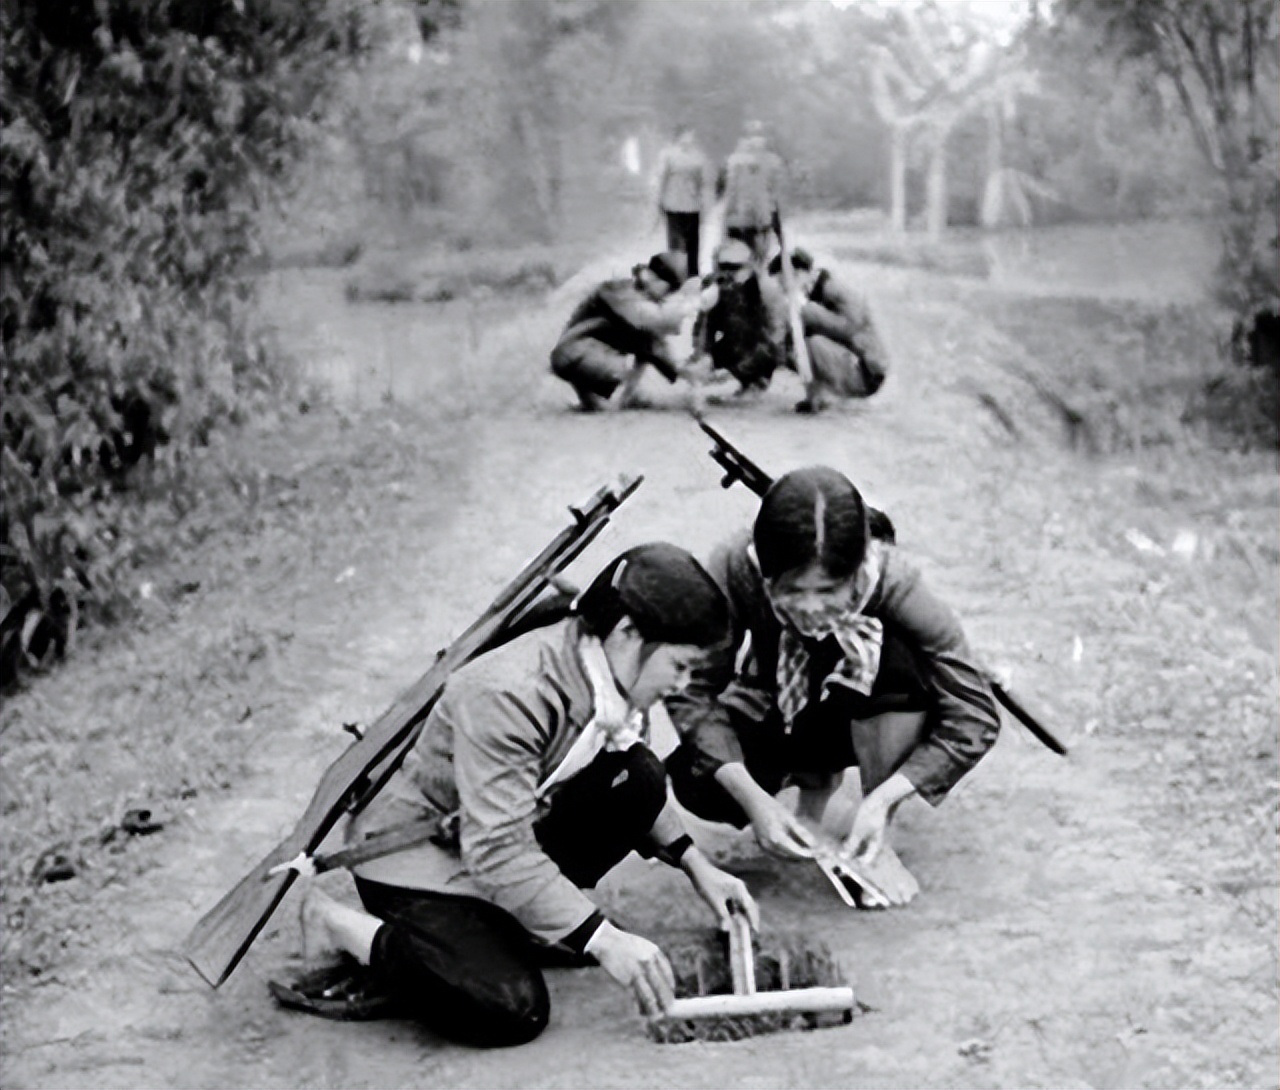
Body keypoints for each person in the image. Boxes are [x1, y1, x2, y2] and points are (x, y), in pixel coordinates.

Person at [296, 544, 760, 1047]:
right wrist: (602, 939)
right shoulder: (510, 693)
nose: (683, 684)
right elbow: (496, 850)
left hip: (491, 831)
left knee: (638, 776)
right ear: (628, 633)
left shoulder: (607, 674)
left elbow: (621, 774)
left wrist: (697, 864)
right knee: (508, 1007)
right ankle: (337, 925)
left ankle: (522, 922)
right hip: (414, 855)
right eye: (680, 666)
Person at [666, 468, 1001, 906]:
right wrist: (754, 801)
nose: (809, 608)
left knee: (898, 656)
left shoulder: (895, 583)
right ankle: (808, 791)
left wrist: (882, 802)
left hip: (869, 709)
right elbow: (691, 689)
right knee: (700, 781)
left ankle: (875, 838)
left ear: (855, 571)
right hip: (783, 708)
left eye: (828, 590)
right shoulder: (735, 567)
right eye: (791, 590)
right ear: (766, 573)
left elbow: (974, 714)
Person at [549, 251, 699, 411]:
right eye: (669, 290)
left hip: (585, 353)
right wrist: (690, 303)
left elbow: (655, 346)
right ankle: (609, 399)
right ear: (653, 278)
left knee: (646, 346)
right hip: (571, 353)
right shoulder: (618, 291)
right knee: (638, 348)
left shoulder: (637, 296)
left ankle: (613, 399)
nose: (667, 296)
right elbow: (651, 319)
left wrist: (683, 371)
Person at [769, 248, 891, 413]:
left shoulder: (834, 289)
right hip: (846, 360)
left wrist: (809, 311)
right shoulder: (810, 294)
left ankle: (838, 397)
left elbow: (853, 330)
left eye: (782, 282)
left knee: (812, 343)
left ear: (798, 275)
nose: (783, 289)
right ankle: (817, 395)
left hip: (866, 372)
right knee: (795, 345)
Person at [690, 239, 790, 397]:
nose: (728, 272)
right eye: (724, 266)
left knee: (770, 347)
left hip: (762, 343)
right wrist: (702, 357)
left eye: (735, 267)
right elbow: (703, 326)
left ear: (749, 266)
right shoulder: (713, 284)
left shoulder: (765, 288)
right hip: (734, 340)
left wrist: (741, 369)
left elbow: (776, 336)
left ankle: (758, 380)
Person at [720, 120, 787, 265]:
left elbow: (731, 191)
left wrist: (727, 214)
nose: (756, 141)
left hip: (743, 215)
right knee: (761, 256)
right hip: (761, 214)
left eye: (758, 136)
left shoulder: (735, 160)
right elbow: (776, 192)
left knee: (742, 255)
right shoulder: (773, 161)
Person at [654, 124, 711, 278]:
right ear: (680, 136)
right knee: (687, 245)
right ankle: (689, 277)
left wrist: (659, 202)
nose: (690, 139)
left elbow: (661, 180)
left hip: (681, 206)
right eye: (688, 135)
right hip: (684, 206)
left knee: (682, 245)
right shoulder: (694, 157)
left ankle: (683, 277)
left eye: (691, 136)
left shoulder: (670, 155)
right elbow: (702, 183)